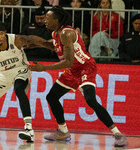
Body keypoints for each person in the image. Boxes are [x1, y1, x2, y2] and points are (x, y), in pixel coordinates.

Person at [28, 6, 128, 147]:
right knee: (51, 96)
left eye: (48, 18)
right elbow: (54, 46)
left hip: (85, 67)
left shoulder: (67, 33)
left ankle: (118, 134)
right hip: (72, 70)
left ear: (56, 21)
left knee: (90, 100)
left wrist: (43, 68)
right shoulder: (55, 34)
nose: (45, 20)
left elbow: (68, 61)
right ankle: (63, 131)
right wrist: (30, 43)